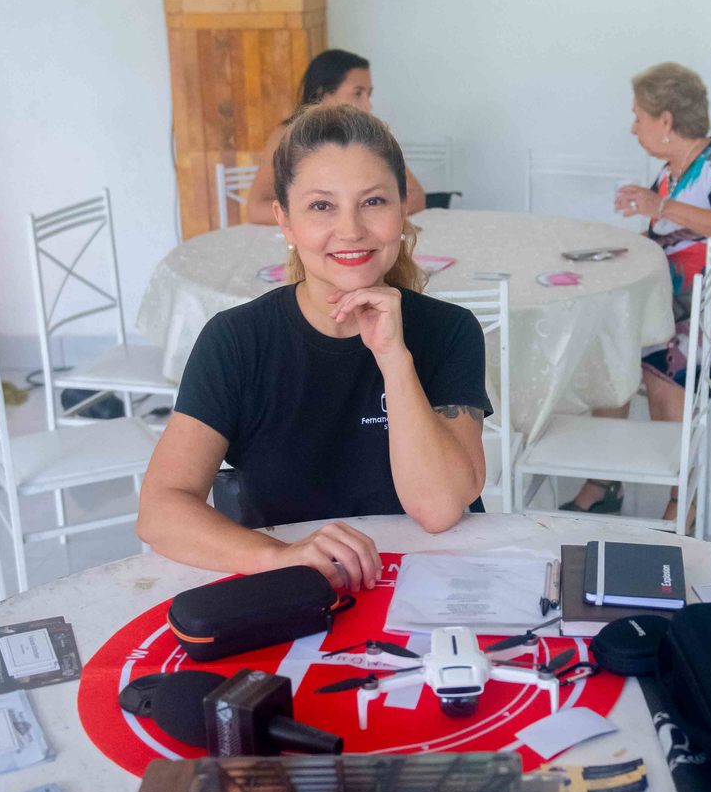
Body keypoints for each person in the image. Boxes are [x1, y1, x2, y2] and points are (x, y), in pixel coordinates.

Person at [137, 105, 490, 584]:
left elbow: (439, 510)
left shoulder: (449, 330)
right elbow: (160, 510)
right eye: (322, 206)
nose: (350, 230)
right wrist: (280, 557)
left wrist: (393, 357)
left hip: (429, 587)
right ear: (285, 220)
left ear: (401, 209)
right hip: (293, 590)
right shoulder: (237, 340)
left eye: (374, 202)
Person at [563, 62, 711, 520]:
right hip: (684, 302)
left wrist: (662, 206)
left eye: (638, 117)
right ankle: (605, 478)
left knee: (666, 355)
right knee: (614, 341)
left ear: (666, 120)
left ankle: (681, 499)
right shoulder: (670, 172)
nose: (633, 128)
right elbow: (664, 242)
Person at [245, 49, 426, 222]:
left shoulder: (370, 136)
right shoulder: (287, 137)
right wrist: (312, 217)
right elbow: (256, 209)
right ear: (323, 94)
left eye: (369, 94)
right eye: (358, 93)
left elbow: (415, 195)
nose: (368, 105)